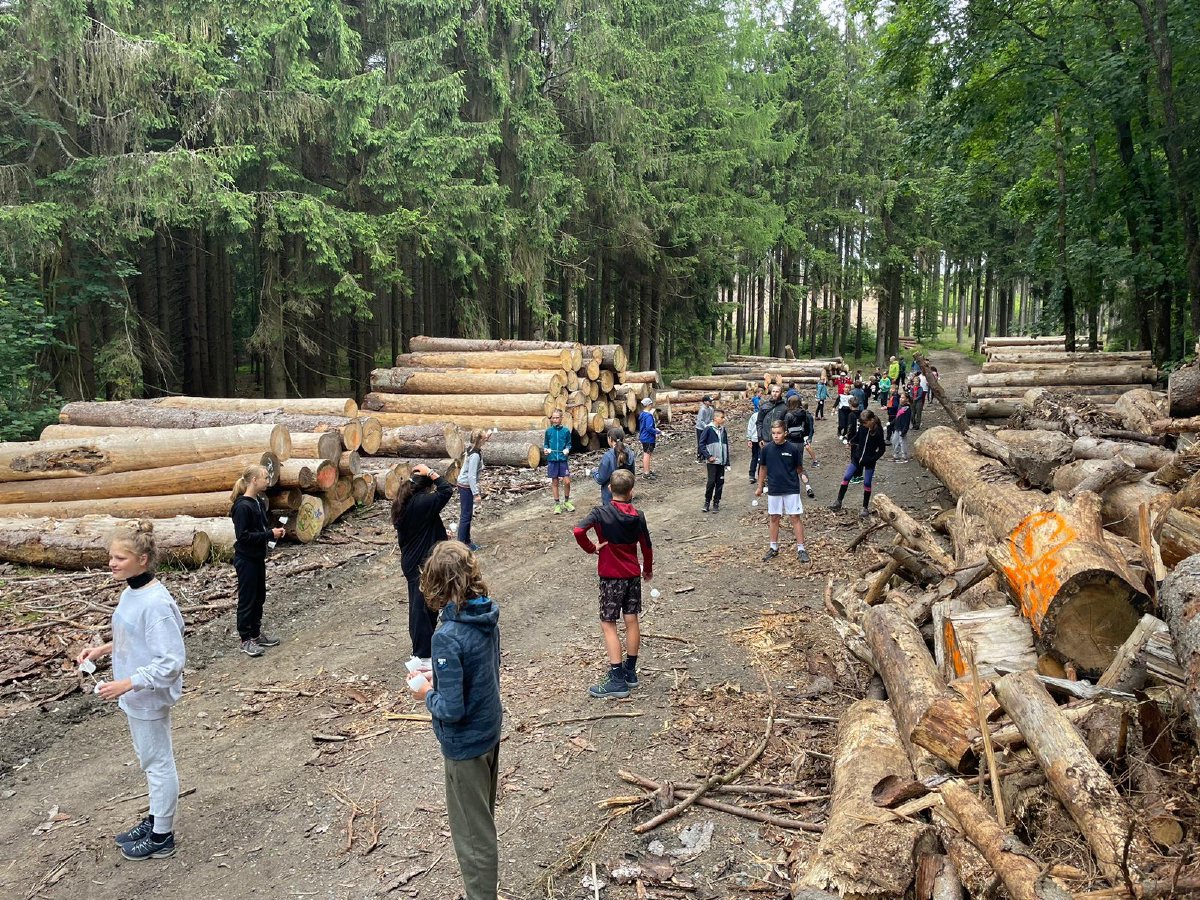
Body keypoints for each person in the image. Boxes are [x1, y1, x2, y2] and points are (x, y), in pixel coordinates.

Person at [77, 524, 185, 861]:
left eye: (120, 558)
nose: (112, 563)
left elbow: (171, 662)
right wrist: (102, 650)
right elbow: (135, 636)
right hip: (134, 694)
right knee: (149, 759)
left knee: (158, 762)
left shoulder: (156, 604)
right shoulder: (131, 592)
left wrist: (127, 683)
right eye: (111, 556)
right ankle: (155, 817)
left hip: (147, 695)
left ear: (143, 559)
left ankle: (162, 835)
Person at [410, 542, 501, 900]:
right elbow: (481, 669)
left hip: (465, 746)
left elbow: (450, 709)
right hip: (489, 730)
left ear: (436, 583)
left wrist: (425, 693)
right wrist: (440, 676)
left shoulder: (446, 636)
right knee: (482, 820)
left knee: (473, 837)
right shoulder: (485, 614)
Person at [573, 469, 653, 699]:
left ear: (610, 489)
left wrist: (592, 548)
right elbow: (646, 546)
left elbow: (578, 530)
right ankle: (630, 671)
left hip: (611, 577)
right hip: (632, 575)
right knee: (631, 619)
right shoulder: (638, 516)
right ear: (631, 492)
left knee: (608, 623)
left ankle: (617, 679)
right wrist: (647, 569)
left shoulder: (600, 513)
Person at [393, 463, 454, 662]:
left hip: (415, 560)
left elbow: (424, 526)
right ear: (427, 487)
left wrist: (440, 535)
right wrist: (431, 472)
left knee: (427, 604)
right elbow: (446, 490)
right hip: (420, 563)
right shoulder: (421, 502)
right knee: (421, 609)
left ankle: (424, 648)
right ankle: (421, 653)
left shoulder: (406, 501)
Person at [230, 464, 286, 658]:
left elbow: (260, 528)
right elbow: (243, 536)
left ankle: (255, 633)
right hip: (245, 559)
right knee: (247, 599)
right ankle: (245, 639)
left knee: (259, 597)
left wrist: (272, 534)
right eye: (265, 478)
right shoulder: (242, 506)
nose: (268, 481)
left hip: (257, 557)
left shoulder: (259, 502)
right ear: (254, 480)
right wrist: (269, 534)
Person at [756, 419, 809, 563]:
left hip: (791, 488)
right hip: (774, 488)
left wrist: (804, 478)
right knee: (774, 517)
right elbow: (763, 468)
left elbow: (799, 468)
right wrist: (760, 486)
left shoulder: (793, 449)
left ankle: (801, 549)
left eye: (778, 433)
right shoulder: (766, 449)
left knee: (795, 517)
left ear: (785, 433)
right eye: (773, 433)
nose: (775, 435)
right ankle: (773, 547)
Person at [831, 409, 888, 517]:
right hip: (857, 458)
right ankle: (838, 501)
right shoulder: (862, 427)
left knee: (867, 483)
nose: (863, 425)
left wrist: (873, 458)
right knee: (846, 477)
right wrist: (851, 441)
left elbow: (882, 449)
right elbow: (858, 437)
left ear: (871, 420)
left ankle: (865, 507)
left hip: (869, 461)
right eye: (862, 423)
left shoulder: (878, 431)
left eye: (865, 423)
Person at [456, 429, 489, 551]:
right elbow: (471, 476)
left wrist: (486, 436)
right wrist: (476, 494)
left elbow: (479, 439)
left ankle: (467, 541)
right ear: (479, 440)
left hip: (465, 484)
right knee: (466, 516)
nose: (486, 439)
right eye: (484, 438)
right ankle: (461, 545)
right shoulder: (475, 455)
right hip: (466, 486)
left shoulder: (472, 448)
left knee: (467, 515)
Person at [783, 396, 817, 498]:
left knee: (788, 466)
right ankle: (808, 487)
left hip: (789, 442)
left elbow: (784, 429)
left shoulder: (788, 415)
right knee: (799, 466)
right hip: (800, 443)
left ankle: (791, 487)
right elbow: (807, 429)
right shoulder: (804, 414)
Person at [542, 410, 574, 514]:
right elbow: (546, 444)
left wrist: (567, 449)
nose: (555, 420)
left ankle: (567, 501)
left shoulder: (566, 431)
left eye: (557, 418)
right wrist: (546, 450)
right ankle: (557, 504)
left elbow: (569, 444)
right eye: (553, 418)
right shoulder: (548, 431)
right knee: (555, 482)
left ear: (561, 418)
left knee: (567, 481)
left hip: (562, 460)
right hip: (552, 460)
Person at [700, 408, 731, 512]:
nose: (724, 419)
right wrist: (708, 456)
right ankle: (707, 502)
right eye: (722, 417)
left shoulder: (723, 430)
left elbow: (726, 446)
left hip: (721, 461)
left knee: (720, 482)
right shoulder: (708, 429)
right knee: (711, 482)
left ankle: (716, 502)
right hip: (712, 462)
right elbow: (701, 444)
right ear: (715, 418)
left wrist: (727, 461)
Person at [594, 426, 635, 505]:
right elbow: (632, 475)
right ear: (623, 439)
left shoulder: (608, 456)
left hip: (610, 497)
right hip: (626, 495)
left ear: (610, 439)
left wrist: (594, 472)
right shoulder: (630, 453)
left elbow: (601, 479)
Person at [638, 397, 662, 479]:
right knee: (647, 454)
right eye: (651, 404)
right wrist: (657, 431)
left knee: (647, 454)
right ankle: (646, 473)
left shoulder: (642, 414)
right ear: (648, 405)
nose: (652, 405)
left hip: (644, 437)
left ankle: (647, 470)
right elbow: (649, 428)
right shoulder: (648, 416)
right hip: (648, 438)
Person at [757, 383, 787, 448]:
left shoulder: (784, 407)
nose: (775, 394)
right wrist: (760, 438)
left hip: (779, 441)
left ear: (781, 393)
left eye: (777, 392)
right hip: (765, 440)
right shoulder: (765, 406)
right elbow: (759, 422)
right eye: (773, 391)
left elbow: (786, 425)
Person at [892, 393, 913, 463]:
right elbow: (897, 417)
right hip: (897, 427)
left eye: (903, 398)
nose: (901, 399)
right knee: (895, 441)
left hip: (902, 428)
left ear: (907, 399)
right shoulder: (900, 406)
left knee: (902, 442)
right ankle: (896, 455)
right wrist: (892, 423)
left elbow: (907, 421)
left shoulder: (907, 408)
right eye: (901, 397)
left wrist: (905, 430)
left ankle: (904, 456)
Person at [695, 396, 714, 463]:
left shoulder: (711, 409)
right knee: (701, 442)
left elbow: (711, 418)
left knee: (707, 442)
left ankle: (706, 455)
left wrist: (711, 425)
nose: (711, 402)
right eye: (709, 401)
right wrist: (706, 426)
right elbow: (700, 420)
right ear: (705, 402)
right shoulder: (702, 409)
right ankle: (700, 457)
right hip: (700, 428)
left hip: (708, 427)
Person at [746, 404, 761, 484]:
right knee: (762, 458)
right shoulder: (767, 415)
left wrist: (749, 438)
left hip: (754, 438)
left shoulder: (754, 415)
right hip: (762, 439)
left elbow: (750, 427)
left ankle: (751, 475)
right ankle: (760, 476)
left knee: (754, 457)